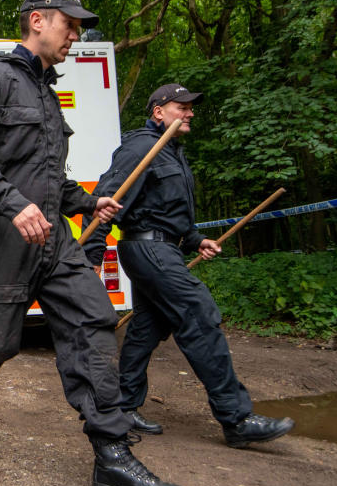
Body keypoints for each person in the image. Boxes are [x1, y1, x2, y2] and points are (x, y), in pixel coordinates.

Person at [0, 0, 186, 486]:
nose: (77, 36)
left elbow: (48, 178)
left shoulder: (48, 94)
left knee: (93, 321)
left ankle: (113, 457)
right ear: (37, 20)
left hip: (55, 240)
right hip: (2, 243)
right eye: (70, 25)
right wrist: (12, 204)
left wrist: (86, 203)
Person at [82, 83, 295, 447]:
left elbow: (167, 213)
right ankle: (236, 418)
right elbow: (107, 198)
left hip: (163, 248)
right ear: (158, 112)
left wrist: (197, 240)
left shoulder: (172, 153)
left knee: (147, 328)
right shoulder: (141, 148)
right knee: (199, 314)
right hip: (147, 251)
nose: (190, 112)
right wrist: (91, 260)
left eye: (191, 107)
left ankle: (122, 407)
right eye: (182, 107)